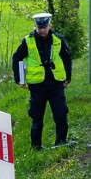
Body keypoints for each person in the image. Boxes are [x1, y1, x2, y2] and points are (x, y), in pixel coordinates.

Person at [11, 12, 72, 149]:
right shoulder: (28, 41)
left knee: (61, 114)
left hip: (56, 83)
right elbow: (16, 58)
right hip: (37, 86)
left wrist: (68, 77)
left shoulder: (58, 39)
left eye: (44, 27)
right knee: (36, 117)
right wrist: (19, 79)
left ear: (49, 25)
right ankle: (36, 147)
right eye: (40, 28)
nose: (42, 30)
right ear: (36, 27)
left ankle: (61, 143)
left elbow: (67, 57)